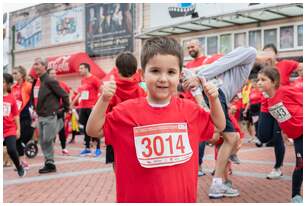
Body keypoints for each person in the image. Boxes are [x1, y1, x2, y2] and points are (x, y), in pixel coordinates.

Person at [86, 36, 225, 203]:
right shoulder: (126, 111)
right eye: (155, 71)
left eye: (171, 72)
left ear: (179, 75)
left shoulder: (190, 110)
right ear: (142, 74)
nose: (163, 78)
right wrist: (103, 99)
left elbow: (219, 125)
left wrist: (214, 99)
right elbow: (92, 130)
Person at [183, 46, 257, 198]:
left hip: (219, 96)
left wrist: (197, 73)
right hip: (217, 94)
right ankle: (217, 184)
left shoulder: (238, 67)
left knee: (230, 138)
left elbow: (221, 65)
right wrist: (200, 76)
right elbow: (224, 61)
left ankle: (223, 179)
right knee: (229, 138)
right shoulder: (250, 52)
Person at [257, 67, 303, 203]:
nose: (258, 82)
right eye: (258, 79)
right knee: (263, 137)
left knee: (301, 164)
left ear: (274, 81)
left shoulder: (285, 90)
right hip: (295, 134)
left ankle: (296, 195)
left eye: (263, 80)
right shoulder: (265, 99)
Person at [256, 44, 300, 179]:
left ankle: (277, 167)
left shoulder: (285, 64)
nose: (267, 56)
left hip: (282, 105)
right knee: (263, 136)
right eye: (265, 53)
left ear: (276, 54)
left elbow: (301, 67)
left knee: (277, 136)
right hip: (266, 106)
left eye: (269, 53)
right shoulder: (263, 71)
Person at [102, 52, 146, 167]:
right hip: (136, 136)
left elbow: (104, 115)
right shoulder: (141, 90)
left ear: (116, 69)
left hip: (116, 136)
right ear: (135, 69)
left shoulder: (110, 90)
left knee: (117, 168)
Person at [34, 58, 70, 173]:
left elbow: (64, 95)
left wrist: (65, 108)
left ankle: (50, 163)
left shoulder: (50, 81)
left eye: (37, 64)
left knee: (47, 139)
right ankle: (49, 163)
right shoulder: (38, 81)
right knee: (42, 140)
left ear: (44, 66)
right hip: (40, 115)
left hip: (50, 115)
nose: (35, 66)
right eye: (34, 64)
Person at [71, 63, 102, 157]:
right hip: (83, 107)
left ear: (87, 69)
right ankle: (87, 148)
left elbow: (102, 90)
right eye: (79, 68)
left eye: (81, 68)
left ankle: (98, 149)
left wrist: (97, 105)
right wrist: (72, 104)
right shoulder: (83, 80)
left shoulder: (95, 79)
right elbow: (80, 94)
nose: (79, 70)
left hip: (91, 107)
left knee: (95, 127)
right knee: (85, 128)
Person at [11, 66, 34, 169]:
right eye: (13, 73)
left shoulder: (29, 86)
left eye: (16, 73)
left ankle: (27, 145)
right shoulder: (13, 87)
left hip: (26, 114)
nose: (14, 75)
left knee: (24, 136)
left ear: (22, 74)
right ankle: (23, 162)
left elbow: (34, 99)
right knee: (16, 138)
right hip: (15, 116)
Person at [3, 73, 26, 177]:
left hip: (9, 129)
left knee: (11, 149)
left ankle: (19, 166)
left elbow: (16, 115)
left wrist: (18, 130)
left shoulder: (11, 98)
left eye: (2, 82)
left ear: (8, 85)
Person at [47, 68, 73, 155]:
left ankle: (64, 148)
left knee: (61, 130)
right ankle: (51, 148)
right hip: (50, 111)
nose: (54, 75)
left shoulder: (62, 84)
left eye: (55, 73)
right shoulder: (46, 86)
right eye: (51, 73)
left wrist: (68, 107)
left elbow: (69, 94)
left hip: (60, 110)